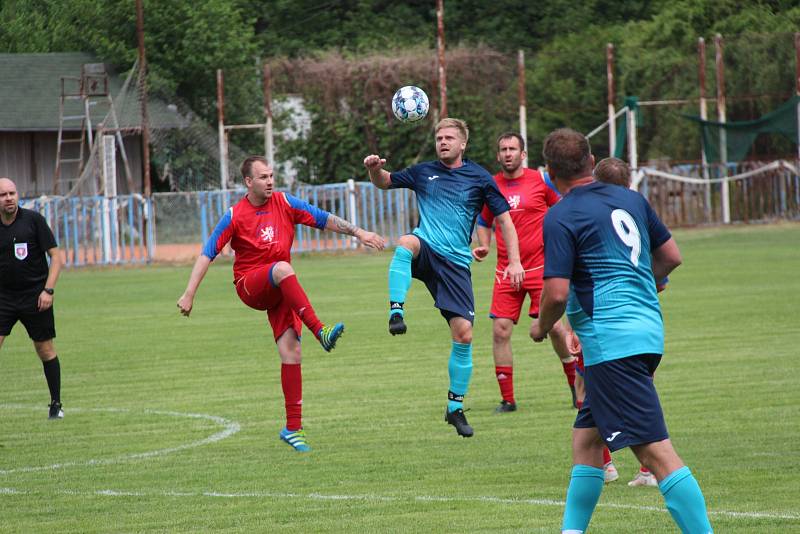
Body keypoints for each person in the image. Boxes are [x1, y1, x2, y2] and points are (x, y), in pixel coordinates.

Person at [531, 129, 712, 533]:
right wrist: (638, 282)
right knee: (587, 442)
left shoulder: (562, 214)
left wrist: (541, 327)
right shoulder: (630, 198)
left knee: (657, 453)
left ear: (548, 172)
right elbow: (670, 257)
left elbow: (557, 293)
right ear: (590, 160)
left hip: (612, 342)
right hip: (645, 331)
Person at [177, 156, 385, 452]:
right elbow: (208, 252)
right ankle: (320, 331)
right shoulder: (234, 215)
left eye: (272, 175)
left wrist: (359, 233)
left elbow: (324, 218)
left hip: (280, 288)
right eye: (263, 177)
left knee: (292, 353)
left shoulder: (285, 203)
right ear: (248, 182)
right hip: (251, 285)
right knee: (282, 268)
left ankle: (293, 429)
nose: (270, 181)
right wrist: (189, 294)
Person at [363, 118, 524, 438]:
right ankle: (396, 311)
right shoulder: (423, 171)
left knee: (464, 335)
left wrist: (515, 261)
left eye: (450, 137)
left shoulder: (479, 178)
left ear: (463, 144)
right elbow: (385, 181)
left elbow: (504, 220)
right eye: (439, 137)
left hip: (455, 264)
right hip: (427, 249)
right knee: (406, 243)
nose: (443, 142)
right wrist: (373, 168)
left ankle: (455, 408)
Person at [472, 132, 577, 413]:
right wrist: (483, 245)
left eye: (512, 149)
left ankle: (575, 388)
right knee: (500, 330)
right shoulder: (490, 186)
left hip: (541, 268)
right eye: (503, 149)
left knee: (555, 327)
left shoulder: (541, 182)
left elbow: (563, 211)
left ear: (523, 154)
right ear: (498, 155)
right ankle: (508, 400)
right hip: (506, 271)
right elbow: (484, 221)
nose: (507, 153)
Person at [0, 177, 64, 419]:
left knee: (44, 349)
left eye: (12, 193)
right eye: (3, 195)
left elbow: (56, 258)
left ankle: (56, 405)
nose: (9, 198)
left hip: (35, 297)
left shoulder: (34, 221)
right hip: (4, 298)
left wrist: (48, 291)